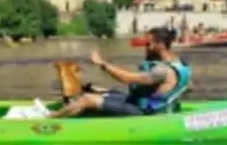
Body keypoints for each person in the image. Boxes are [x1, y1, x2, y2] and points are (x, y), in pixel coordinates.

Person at [50, 26, 191, 118]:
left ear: (160, 45)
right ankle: (69, 107)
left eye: (148, 44)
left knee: (88, 99)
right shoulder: (180, 64)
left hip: (144, 112)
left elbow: (127, 79)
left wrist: (102, 64)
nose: (145, 48)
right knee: (97, 89)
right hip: (146, 104)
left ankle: (49, 119)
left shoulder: (162, 70)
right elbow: (188, 87)